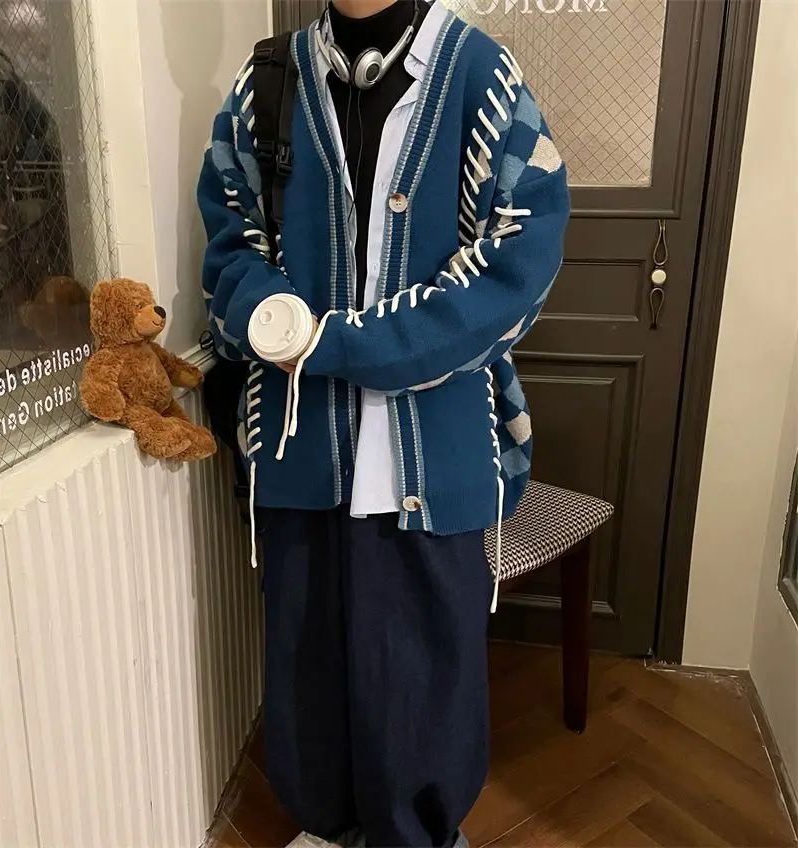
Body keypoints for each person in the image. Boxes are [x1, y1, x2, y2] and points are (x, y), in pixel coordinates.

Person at [197, 1, 569, 846]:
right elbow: (229, 249)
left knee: (425, 700)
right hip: (297, 456)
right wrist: (270, 318)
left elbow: (518, 264)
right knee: (307, 688)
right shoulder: (266, 85)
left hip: (433, 461)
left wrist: (335, 344)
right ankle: (328, 829)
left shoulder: (481, 77)